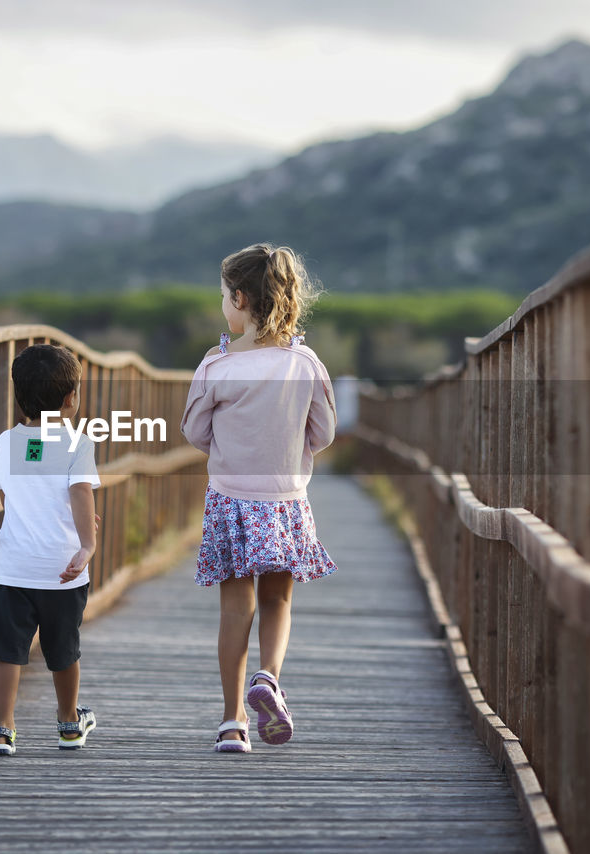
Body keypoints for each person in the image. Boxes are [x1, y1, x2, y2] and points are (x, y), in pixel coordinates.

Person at [180, 243, 338, 753]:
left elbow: (194, 431)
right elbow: (325, 432)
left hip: (231, 500)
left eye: (224, 295)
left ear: (241, 299)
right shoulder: (305, 362)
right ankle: (268, 677)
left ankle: (232, 723)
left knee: (235, 610)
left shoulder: (218, 365)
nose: (222, 303)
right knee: (277, 599)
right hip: (285, 500)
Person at [0, 343, 99, 756]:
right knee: (63, 650)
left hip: (12, 568)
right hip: (62, 568)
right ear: (71, 399)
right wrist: (87, 544)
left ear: (19, 397)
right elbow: (80, 494)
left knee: (8, 652)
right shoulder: (77, 444)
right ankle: (68, 722)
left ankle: (1, 729)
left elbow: (4, 496)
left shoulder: (7, 442)